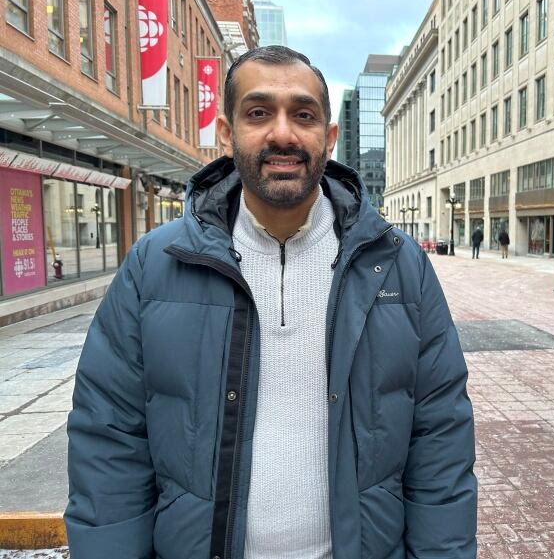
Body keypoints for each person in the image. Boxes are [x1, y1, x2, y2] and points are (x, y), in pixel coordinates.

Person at [65, 46, 477, 559]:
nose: (282, 133)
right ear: (226, 132)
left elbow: (440, 436)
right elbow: (109, 439)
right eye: (259, 112)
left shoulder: (399, 265)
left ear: (328, 137)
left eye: (303, 115)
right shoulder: (155, 265)